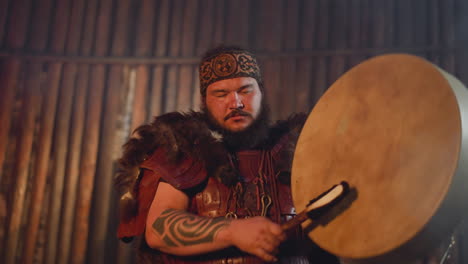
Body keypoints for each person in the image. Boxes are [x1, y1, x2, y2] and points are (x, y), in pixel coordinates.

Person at [115, 46, 340, 263]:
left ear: (261, 93)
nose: (236, 103)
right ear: (205, 102)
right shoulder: (184, 148)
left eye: (245, 90)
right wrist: (233, 231)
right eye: (221, 94)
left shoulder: (300, 149)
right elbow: (159, 228)